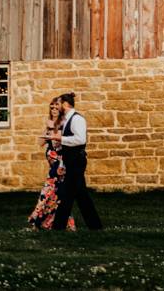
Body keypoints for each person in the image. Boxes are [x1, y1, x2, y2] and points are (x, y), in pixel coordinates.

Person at [48, 92, 103, 230]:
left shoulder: (77, 119)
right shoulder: (67, 119)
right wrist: (62, 163)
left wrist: (60, 139)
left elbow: (80, 140)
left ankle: (58, 226)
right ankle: (95, 226)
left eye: (59, 104)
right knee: (79, 194)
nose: (57, 106)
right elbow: (66, 147)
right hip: (70, 161)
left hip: (77, 161)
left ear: (65, 104)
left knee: (68, 194)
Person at [27, 97, 75, 230]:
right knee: (56, 195)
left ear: (61, 108)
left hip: (59, 166)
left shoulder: (63, 124)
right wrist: (47, 128)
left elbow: (57, 143)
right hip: (52, 166)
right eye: (51, 107)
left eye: (56, 107)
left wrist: (52, 128)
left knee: (48, 192)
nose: (53, 110)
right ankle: (54, 223)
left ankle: (37, 220)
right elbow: (40, 143)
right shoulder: (50, 124)